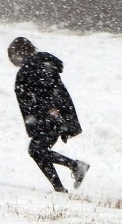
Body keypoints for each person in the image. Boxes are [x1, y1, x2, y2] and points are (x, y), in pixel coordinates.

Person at [8, 37, 89, 193]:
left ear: (20, 52)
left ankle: (73, 170)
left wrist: (52, 110)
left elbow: (47, 90)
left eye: (13, 56)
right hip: (48, 117)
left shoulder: (35, 66)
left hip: (50, 117)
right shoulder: (38, 64)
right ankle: (62, 183)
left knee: (36, 150)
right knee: (38, 150)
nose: (12, 60)